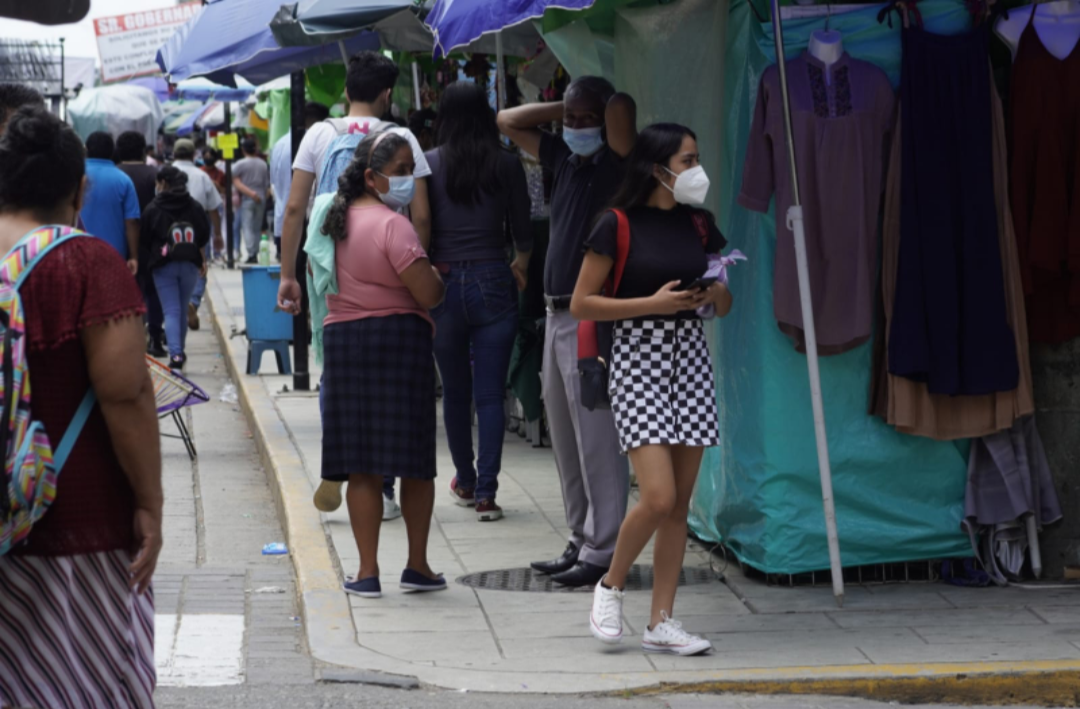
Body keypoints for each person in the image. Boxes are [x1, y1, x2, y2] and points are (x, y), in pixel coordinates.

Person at [0, 105, 162, 709]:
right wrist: (149, 502)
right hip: (71, 520)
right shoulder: (86, 261)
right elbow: (125, 391)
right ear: (79, 188)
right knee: (76, 685)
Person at [571, 123, 731, 656]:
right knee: (658, 495)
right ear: (657, 167)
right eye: (688, 160)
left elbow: (726, 301)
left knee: (680, 505)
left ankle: (662, 620)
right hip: (637, 358)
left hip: (689, 357)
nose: (696, 169)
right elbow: (582, 303)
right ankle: (611, 585)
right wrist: (653, 305)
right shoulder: (614, 224)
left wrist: (709, 294)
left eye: (696, 158)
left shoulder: (700, 225)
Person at [279, 50, 433, 521]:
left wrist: (289, 274)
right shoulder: (401, 137)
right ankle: (384, 485)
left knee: (336, 364)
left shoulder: (318, 135)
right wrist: (416, 265)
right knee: (393, 379)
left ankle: (341, 456)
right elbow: (422, 215)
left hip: (330, 265)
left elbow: (294, 209)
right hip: (393, 261)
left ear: (346, 91)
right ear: (387, 94)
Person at [497, 77, 638, 587]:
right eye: (570, 120)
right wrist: (568, 102)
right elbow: (507, 121)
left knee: (597, 436)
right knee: (564, 432)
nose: (576, 127)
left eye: (587, 118)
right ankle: (580, 536)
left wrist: (595, 102)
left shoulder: (618, 162)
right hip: (556, 314)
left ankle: (605, 547)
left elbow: (622, 108)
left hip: (592, 318)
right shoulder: (563, 159)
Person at [319, 131, 446, 599]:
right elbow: (428, 292)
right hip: (398, 340)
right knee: (414, 462)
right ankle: (417, 565)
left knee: (361, 465)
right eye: (401, 170)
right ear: (372, 178)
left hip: (344, 341)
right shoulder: (395, 226)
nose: (409, 179)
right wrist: (437, 279)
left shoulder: (331, 221)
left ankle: (366, 571)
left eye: (411, 168)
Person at [425, 82, 532, 522]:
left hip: (443, 280)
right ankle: (487, 494)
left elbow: (422, 226)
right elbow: (523, 231)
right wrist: (519, 264)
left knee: (455, 392)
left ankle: (464, 480)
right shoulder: (507, 164)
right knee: (490, 395)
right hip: (493, 275)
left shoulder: (428, 164)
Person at [141, 166, 211, 372]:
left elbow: (144, 237)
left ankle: (176, 356)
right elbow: (204, 234)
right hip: (190, 263)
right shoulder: (194, 206)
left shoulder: (153, 207)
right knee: (181, 308)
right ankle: (179, 350)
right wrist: (201, 258)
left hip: (163, 266)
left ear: (163, 183)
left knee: (170, 310)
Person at [116, 131, 166, 357]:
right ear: (143, 152)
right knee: (154, 290)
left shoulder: (116, 174)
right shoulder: (154, 174)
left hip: (121, 242)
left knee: (127, 290)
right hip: (152, 242)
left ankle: (131, 336)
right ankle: (154, 336)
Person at [171, 138, 223, 332]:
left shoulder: (166, 174)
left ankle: (177, 307)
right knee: (201, 269)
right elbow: (213, 208)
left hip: (169, 233)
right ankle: (192, 302)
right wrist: (218, 234)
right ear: (194, 155)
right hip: (197, 232)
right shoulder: (202, 176)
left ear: (174, 154)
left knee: (172, 271)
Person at [271, 102, 330, 259]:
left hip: (283, 222)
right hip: (305, 226)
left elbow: (274, 183)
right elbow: (296, 205)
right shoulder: (311, 142)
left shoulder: (279, 144)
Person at [80, 131, 140, 274]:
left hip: (78, 251)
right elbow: (132, 221)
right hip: (114, 255)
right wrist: (133, 256)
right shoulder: (123, 180)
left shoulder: (74, 176)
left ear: (86, 150)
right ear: (113, 152)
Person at [233, 137, 270, 263]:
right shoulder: (263, 164)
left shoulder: (240, 164)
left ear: (243, 150)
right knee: (257, 227)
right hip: (261, 198)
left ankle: (251, 253)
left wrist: (250, 193)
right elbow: (266, 184)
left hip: (247, 198)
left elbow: (234, 180)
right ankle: (256, 251)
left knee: (247, 226)